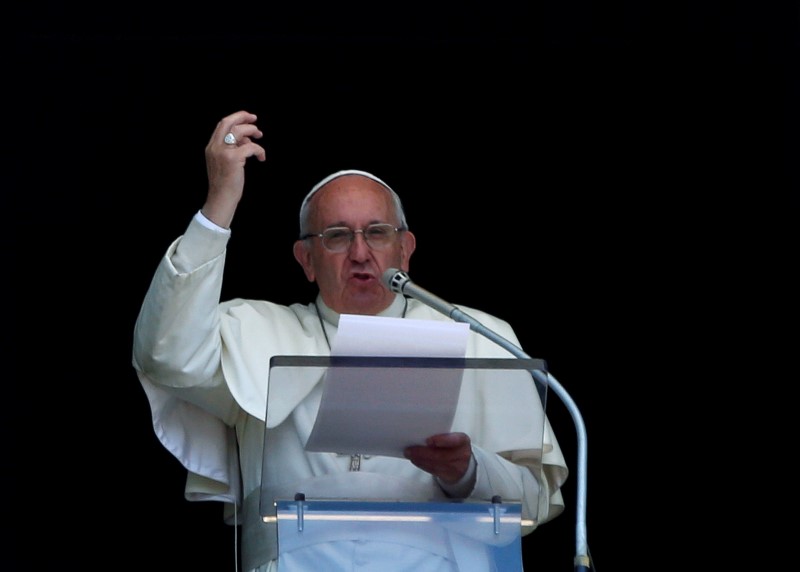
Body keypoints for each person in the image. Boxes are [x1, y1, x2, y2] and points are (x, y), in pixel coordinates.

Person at [132, 110, 569, 571]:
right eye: (337, 236)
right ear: (306, 260)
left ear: (406, 249)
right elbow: (164, 354)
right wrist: (219, 201)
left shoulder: (483, 338)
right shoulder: (254, 330)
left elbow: (535, 501)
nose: (361, 253)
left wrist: (467, 471)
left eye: (377, 233)